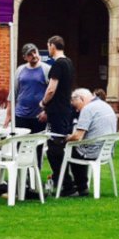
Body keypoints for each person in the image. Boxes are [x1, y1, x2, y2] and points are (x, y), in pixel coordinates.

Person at [60, 89, 116, 197]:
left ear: (81, 99)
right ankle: (80, 185)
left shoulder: (88, 109)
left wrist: (65, 139)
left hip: (92, 151)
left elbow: (77, 136)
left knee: (60, 151)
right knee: (75, 149)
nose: (76, 111)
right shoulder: (105, 105)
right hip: (106, 151)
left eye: (76, 106)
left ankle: (72, 187)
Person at [41, 36, 76, 185]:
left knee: (54, 148)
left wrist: (43, 103)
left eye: (48, 46)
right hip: (65, 109)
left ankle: (65, 182)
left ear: (52, 46)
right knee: (58, 146)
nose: (49, 49)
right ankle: (60, 179)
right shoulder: (69, 63)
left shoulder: (58, 65)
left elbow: (51, 89)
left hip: (57, 111)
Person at [12, 43, 51, 136]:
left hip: (39, 115)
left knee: (37, 145)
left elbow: (52, 92)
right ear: (25, 57)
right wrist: (9, 115)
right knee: (19, 144)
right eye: (30, 54)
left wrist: (46, 111)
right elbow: (13, 92)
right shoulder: (20, 69)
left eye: (35, 52)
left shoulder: (47, 69)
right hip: (20, 114)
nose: (34, 55)